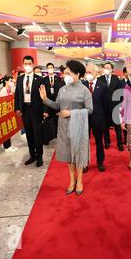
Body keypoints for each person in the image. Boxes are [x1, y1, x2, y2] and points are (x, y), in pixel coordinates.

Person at [40, 60, 93, 196]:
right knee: (69, 155)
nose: (66, 75)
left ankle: (80, 180)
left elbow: (90, 109)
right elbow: (57, 106)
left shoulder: (84, 90)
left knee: (79, 153)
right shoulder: (62, 89)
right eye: (65, 73)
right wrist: (45, 99)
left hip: (78, 126)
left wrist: (71, 113)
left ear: (78, 74)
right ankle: (71, 180)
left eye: (68, 73)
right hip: (64, 126)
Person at [14, 56, 49, 168]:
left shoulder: (39, 79)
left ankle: (39, 157)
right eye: (26, 63)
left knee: (37, 134)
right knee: (29, 134)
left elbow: (44, 96)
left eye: (30, 63)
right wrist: (17, 108)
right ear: (23, 64)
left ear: (33, 64)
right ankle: (32, 155)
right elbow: (17, 94)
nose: (28, 65)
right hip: (25, 109)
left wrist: (45, 110)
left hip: (36, 110)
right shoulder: (20, 79)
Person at [84, 64, 109, 172]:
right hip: (84, 118)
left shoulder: (102, 86)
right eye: (86, 72)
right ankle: (84, 162)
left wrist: (105, 121)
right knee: (84, 142)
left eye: (90, 72)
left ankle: (100, 161)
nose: (88, 74)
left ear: (96, 73)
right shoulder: (82, 85)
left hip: (98, 119)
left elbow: (106, 105)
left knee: (99, 141)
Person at [97, 62, 124, 151]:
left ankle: (120, 143)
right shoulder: (100, 79)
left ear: (112, 69)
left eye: (108, 68)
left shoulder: (116, 79)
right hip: (104, 107)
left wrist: (120, 105)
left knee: (117, 127)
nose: (106, 69)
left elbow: (120, 92)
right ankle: (107, 142)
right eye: (105, 67)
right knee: (105, 127)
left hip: (115, 106)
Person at [42, 62, 65, 136]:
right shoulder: (44, 79)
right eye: (49, 68)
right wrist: (45, 110)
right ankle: (49, 136)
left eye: (51, 68)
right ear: (47, 69)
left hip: (57, 103)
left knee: (57, 121)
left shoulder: (58, 79)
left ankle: (57, 135)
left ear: (53, 69)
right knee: (48, 121)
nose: (50, 69)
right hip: (47, 103)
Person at [0, 74, 18, 153]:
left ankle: (9, 145)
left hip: (9, 113)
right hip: (4, 113)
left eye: (12, 80)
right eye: (10, 80)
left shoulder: (10, 89)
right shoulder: (3, 90)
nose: (11, 82)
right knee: (5, 129)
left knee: (9, 129)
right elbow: (1, 102)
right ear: (6, 81)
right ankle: (6, 147)